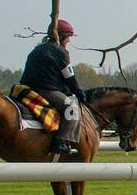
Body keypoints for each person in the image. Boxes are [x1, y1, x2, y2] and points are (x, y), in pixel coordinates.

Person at [18, 19, 86, 155]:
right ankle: (62, 142)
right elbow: (69, 78)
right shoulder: (61, 52)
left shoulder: (37, 49)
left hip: (26, 90)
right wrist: (79, 93)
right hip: (46, 91)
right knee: (72, 108)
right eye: (69, 38)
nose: (69, 41)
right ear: (62, 37)